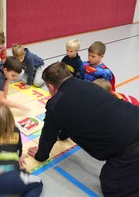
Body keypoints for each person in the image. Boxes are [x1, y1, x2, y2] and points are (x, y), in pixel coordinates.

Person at [28, 62, 139, 196]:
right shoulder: (88, 85)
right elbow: (73, 116)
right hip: (133, 119)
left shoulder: (56, 103)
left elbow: (48, 135)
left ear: (50, 86)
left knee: (113, 186)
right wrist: (63, 136)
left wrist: (40, 155)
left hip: (131, 148)